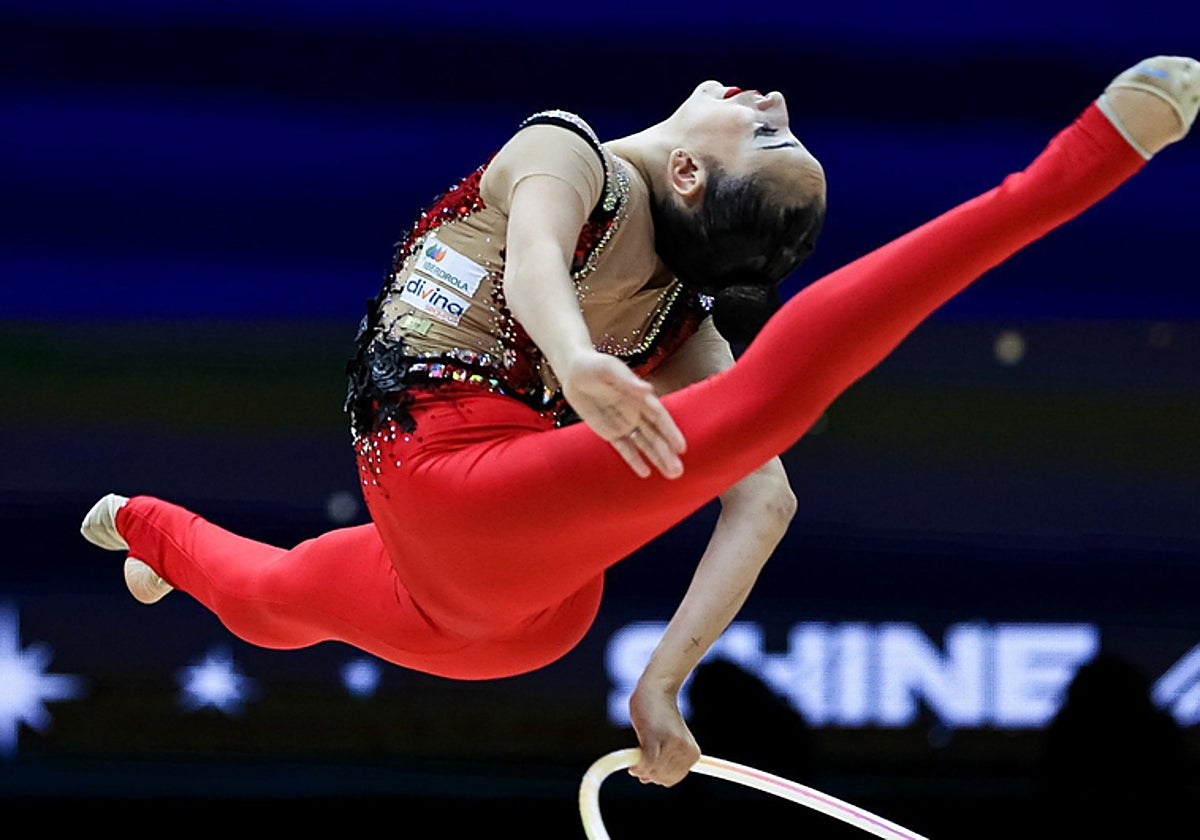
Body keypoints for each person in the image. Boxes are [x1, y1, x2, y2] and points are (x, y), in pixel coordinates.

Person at [81, 55, 1198, 787]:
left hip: (509, 578)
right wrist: (577, 359)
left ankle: (1074, 168)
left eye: (769, 136)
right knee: (273, 598)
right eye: (781, 124)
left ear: (689, 175)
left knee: (770, 402)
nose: (772, 102)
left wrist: (663, 679)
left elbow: (765, 496)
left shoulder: (671, 317)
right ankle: (146, 531)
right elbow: (532, 258)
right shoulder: (564, 159)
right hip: (453, 528)